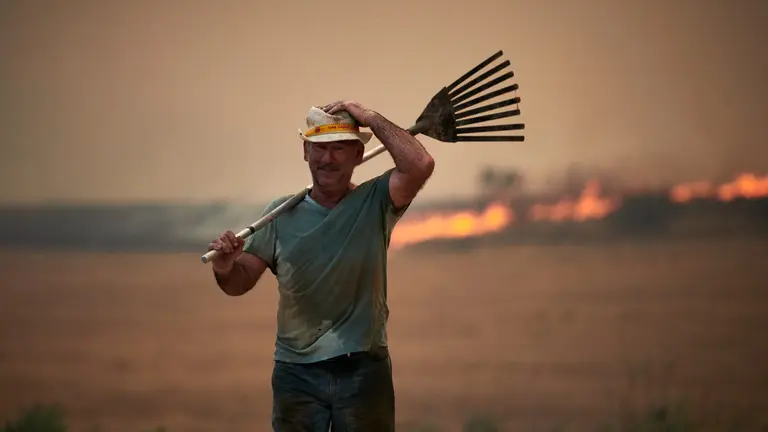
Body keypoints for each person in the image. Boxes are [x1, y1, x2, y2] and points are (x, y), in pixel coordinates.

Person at [207, 100, 435, 431]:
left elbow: (420, 163)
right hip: (296, 372)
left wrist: (369, 116)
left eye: (340, 148)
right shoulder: (279, 214)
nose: (327, 159)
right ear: (305, 152)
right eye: (319, 148)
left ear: (358, 155)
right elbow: (238, 283)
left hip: (363, 368)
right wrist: (225, 267)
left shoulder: (376, 202)